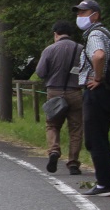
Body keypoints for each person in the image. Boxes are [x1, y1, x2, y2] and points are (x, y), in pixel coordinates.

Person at [74, 0, 110, 196]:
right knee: (100, 136)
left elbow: (98, 56)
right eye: (79, 13)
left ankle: (104, 184)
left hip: (98, 91)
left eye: (84, 13)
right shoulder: (105, 33)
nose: (80, 16)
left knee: (94, 137)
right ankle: (107, 180)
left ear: (95, 15)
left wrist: (97, 78)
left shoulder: (95, 35)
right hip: (108, 91)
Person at [35, 19, 83, 175]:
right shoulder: (81, 49)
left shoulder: (49, 50)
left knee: (52, 125)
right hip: (75, 92)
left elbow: (41, 72)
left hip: (54, 92)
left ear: (55, 34)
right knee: (76, 128)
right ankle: (73, 162)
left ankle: (54, 151)